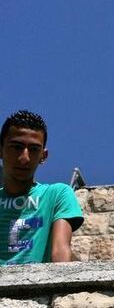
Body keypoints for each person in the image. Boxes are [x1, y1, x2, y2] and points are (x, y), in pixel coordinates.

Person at [0, 110, 84, 264]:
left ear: (43, 156)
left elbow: (60, 251)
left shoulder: (57, 194)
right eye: (16, 147)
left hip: (36, 285)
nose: (24, 158)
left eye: (33, 150)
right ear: (1, 149)